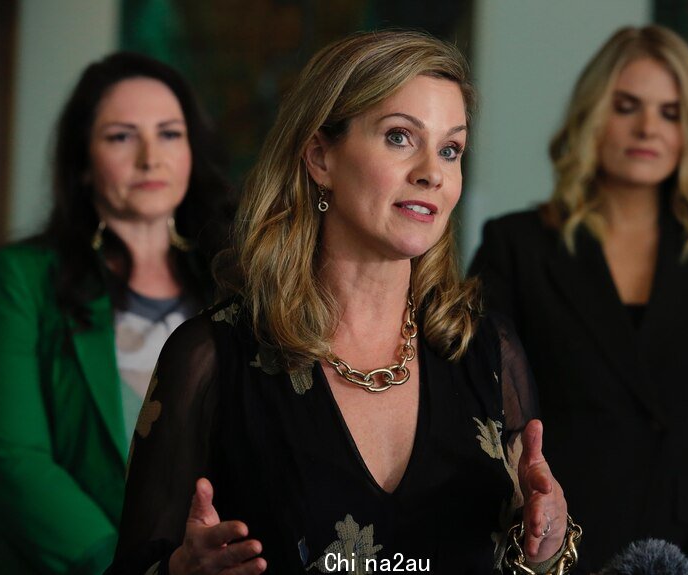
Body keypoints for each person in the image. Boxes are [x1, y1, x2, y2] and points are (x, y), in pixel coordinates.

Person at [108, 30, 580, 575]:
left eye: (450, 149)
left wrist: (546, 548)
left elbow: (531, 563)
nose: (432, 172)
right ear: (319, 156)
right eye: (400, 137)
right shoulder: (211, 356)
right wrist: (177, 573)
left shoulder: (487, 352)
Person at [469, 25, 688, 575]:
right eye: (627, 105)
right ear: (592, 115)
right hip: (550, 540)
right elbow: (475, 411)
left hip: (683, 545)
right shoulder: (515, 244)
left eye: (670, 112)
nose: (647, 128)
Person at [0, 52, 231, 575]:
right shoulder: (21, 277)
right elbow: (12, 462)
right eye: (122, 136)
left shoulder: (235, 280)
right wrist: (132, 569)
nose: (151, 157)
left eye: (170, 134)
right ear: (82, 161)